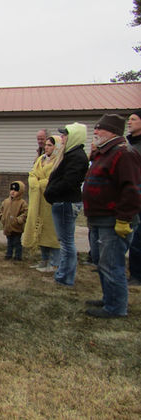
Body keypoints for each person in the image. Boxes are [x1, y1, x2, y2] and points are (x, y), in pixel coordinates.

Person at [83, 114, 141, 318]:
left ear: (113, 132)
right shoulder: (103, 153)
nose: (95, 132)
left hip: (113, 220)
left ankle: (116, 308)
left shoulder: (124, 154)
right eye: (96, 128)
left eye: (100, 129)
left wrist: (124, 218)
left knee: (111, 263)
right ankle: (109, 298)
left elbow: (132, 189)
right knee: (101, 261)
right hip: (98, 219)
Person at [44, 122, 89, 287]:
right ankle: (62, 274)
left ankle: (65, 277)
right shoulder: (70, 154)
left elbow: (68, 181)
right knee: (64, 241)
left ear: (74, 137)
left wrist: (50, 191)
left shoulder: (77, 157)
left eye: (65, 135)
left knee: (66, 242)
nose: (62, 138)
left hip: (66, 202)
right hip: (62, 201)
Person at [23, 136, 64, 272]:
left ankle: (55, 262)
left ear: (56, 147)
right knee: (39, 228)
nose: (47, 147)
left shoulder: (59, 161)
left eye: (50, 145)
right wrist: (34, 182)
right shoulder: (41, 159)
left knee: (51, 231)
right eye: (46, 145)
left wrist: (41, 183)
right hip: (38, 200)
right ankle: (44, 259)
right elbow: (33, 173)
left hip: (50, 201)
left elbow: (54, 179)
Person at [126, 110, 141, 286]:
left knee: (138, 238)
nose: (129, 122)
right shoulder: (130, 143)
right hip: (131, 194)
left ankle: (137, 275)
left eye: (133, 119)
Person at [0, 181, 28, 261]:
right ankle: (8, 254)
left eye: (15, 190)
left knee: (17, 242)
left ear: (20, 192)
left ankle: (18, 256)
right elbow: (1, 210)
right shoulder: (6, 201)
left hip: (17, 227)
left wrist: (18, 220)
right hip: (7, 226)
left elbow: (25, 213)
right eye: (11, 190)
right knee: (9, 242)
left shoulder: (22, 203)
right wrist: (1, 217)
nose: (13, 192)